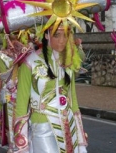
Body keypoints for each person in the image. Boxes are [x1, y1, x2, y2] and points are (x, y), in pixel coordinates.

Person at [14, 25, 87, 153]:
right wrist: (21, 144)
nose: (62, 40)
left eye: (65, 35)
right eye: (57, 35)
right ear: (47, 35)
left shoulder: (68, 61)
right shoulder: (30, 63)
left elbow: (73, 99)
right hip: (42, 126)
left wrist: (80, 140)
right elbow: (21, 104)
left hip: (68, 125)